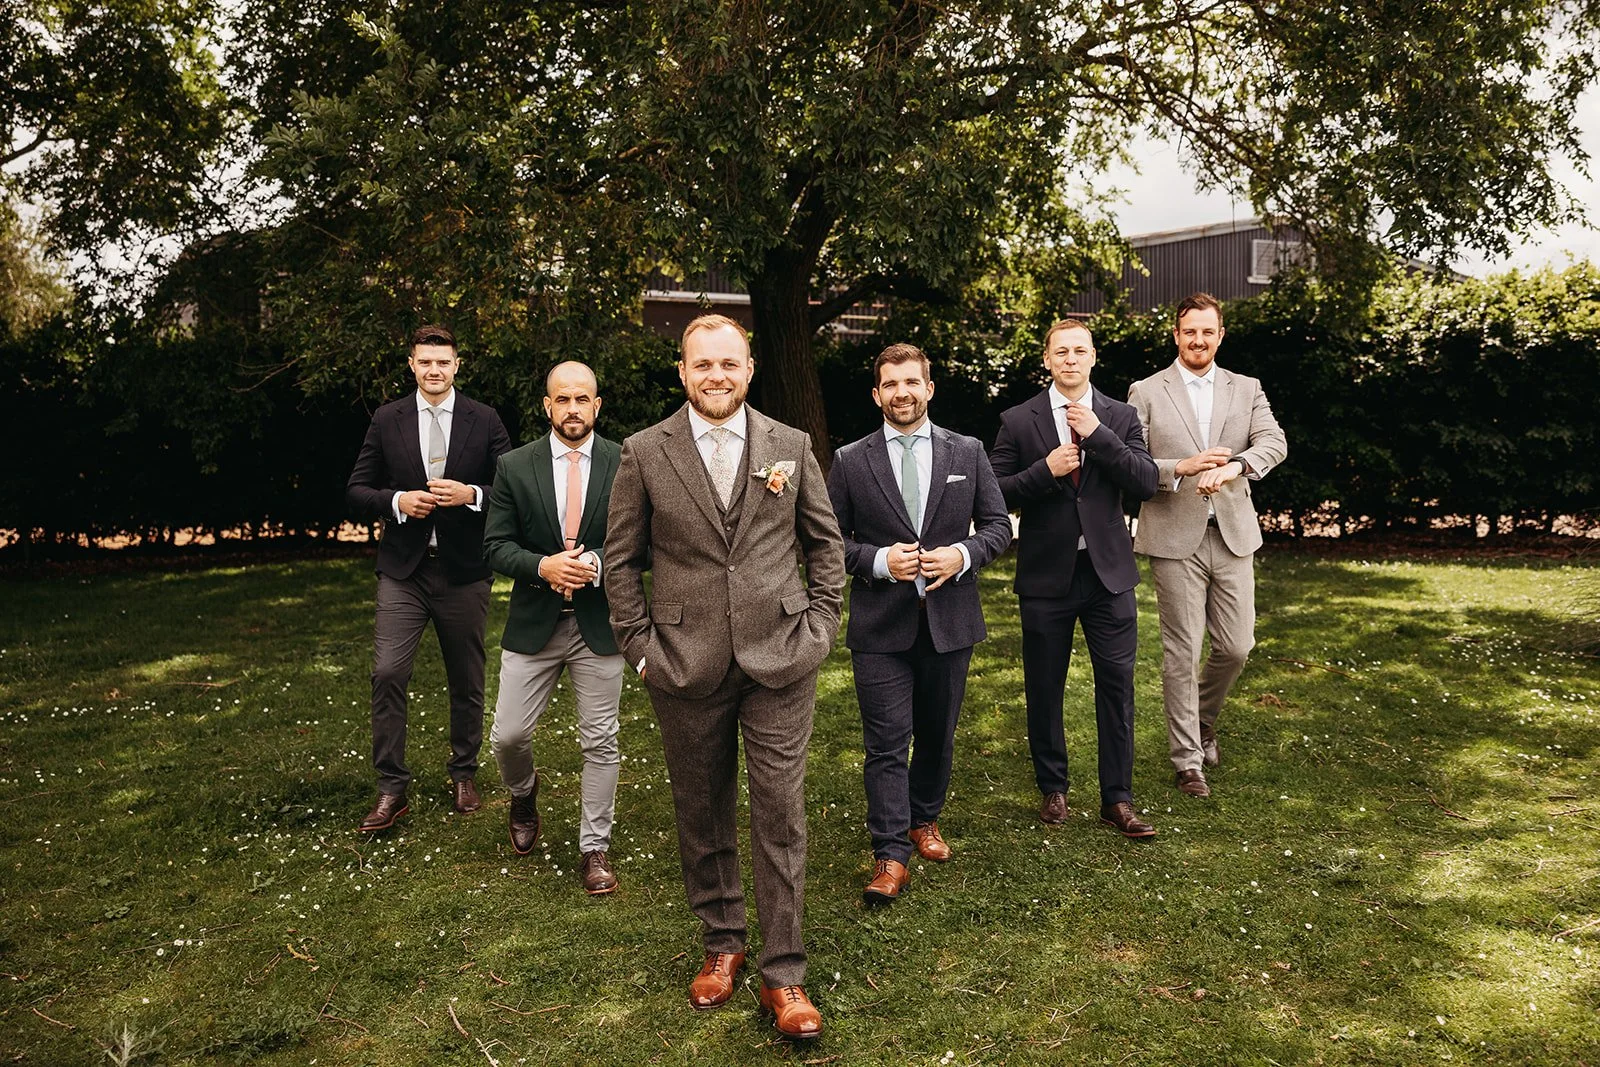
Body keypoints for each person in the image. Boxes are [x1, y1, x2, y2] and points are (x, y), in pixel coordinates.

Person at [604, 313, 844, 1040]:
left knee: (781, 812)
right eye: (702, 364)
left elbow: (824, 543)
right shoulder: (645, 451)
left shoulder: (790, 445)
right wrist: (642, 648)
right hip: (684, 660)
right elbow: (620, 561)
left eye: (729, 363)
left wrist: (821, 625)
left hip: (781, 656)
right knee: (702, 809)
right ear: (682, 371)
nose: (716, 375)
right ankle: (722, 941)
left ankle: (786, 973)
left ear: (750, 367)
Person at [825, 343, 1011, 906]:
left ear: (929, 388)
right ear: (876, 393)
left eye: (912, 382)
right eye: (890, 384)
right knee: (885, 743)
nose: (902, 392)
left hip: (950, 623)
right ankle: (889, 853)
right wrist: (880, 562)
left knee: (937, 734)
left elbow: (999, 526)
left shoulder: (968, 451)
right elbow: (829, 544)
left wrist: (963, 555)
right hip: (881, 627)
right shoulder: (850, 460)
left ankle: (923, 818)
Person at [990, 319, 1159, 839]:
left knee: (1117, 686)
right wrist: (1046, 470)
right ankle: (1053, 788)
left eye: (1078, 350)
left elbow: (1146, 481)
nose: (1069, 359)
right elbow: (993, 491)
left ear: (1092, 358)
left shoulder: (1120, 416)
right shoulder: (1018, 420)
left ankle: (1118, 799)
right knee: (1045, 687)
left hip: (1109, 576)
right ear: (1046, 359)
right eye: (1059, 351)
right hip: (1046, 577)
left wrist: (1097, 436)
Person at [346, 324, 512, 831]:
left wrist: (473, 496)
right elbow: (357, 489)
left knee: (466, 677)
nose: (434, 370)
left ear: (457, 365)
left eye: (443, 362)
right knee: (388, 673)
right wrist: (397, 502)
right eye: (425, 362)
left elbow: (513, 486)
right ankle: (391, 788)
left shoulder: (484, 420)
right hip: (403, 571)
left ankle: (464, 773)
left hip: (464, 571)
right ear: (412, 365)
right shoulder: (387, 418)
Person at [1127, 293, 1288, 798]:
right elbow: (1132, 467)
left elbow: (1274, 443)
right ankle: (1187, 761)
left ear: (1220, 336)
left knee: (1237, 647)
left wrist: (1235, 466)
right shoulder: (1146, 391)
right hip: (1175, 537)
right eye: (1189, 331)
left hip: (1235, 534)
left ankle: (1202, 720)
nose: (1198, 340)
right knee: (1182, 649)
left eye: (1208, 332)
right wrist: (1182, 469)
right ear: (1176, 335)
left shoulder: (1248, 389)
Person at [483, 360, 624, 894]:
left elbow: (646, 539)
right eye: (562, 399)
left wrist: (599, 565)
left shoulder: (624, 461)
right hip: (534, 622)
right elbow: (495, 545)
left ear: (596, 405)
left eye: (581, 399)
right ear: (547, 406)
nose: (572, 409)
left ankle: (595, 848)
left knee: (601, 740)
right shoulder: (515, 466)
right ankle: (523, 794)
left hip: (599, 625)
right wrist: (543, 566)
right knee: (508, 736)